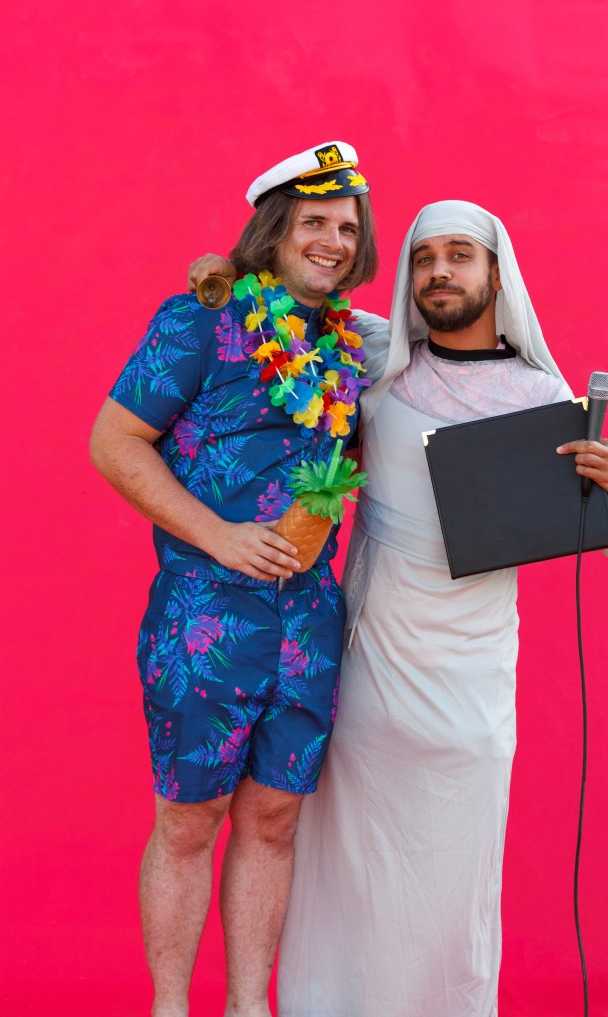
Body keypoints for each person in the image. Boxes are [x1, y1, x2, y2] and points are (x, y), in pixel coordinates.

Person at [188, 202, 608, 1016]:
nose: (439, 271)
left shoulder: (543, 397)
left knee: (448, 878)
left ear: (496, 275)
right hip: (366, 671)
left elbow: (592, 526)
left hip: (471, 686)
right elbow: (288, 300)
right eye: (424, 256)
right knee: (345, 870)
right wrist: (224, 271)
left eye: (459, 255)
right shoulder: (371, 358)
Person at [89, 141, 377, 1017]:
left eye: (347, 228)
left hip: (308, 618)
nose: (332, 241)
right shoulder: (200, 321)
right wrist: (216, 535)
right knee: (188, 821)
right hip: (205, 615)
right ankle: (171, 1009)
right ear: (275, 229)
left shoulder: (349, 346)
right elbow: (113, 441)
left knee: (274, 822)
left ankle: (251, 1007)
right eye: (314, 222)